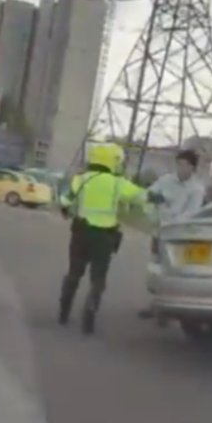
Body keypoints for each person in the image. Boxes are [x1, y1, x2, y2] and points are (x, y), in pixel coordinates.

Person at [58, 142, 164, 335]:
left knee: (74, 273)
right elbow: (139, 195)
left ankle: (64, 310)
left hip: (81, 231)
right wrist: (157, 197)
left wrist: (66, 209)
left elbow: (65, 200)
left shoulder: (81, 179)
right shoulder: (117, 183)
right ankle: (90, 312)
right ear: (112, 161)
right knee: (98, 279)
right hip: (104, 236)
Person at [137, 149, 207, 320]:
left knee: (175, 270)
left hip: (179, 236)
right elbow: (148, 196)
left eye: (185, 165)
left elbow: (191, 214)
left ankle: (170, 307)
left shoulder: (196, 189)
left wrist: (169, 215)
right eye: (178, 164)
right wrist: (153, 212)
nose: (181, 168)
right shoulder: (166, 180)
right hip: (160, 231)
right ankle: (156, 305)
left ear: (192, 168)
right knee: (157, 268)